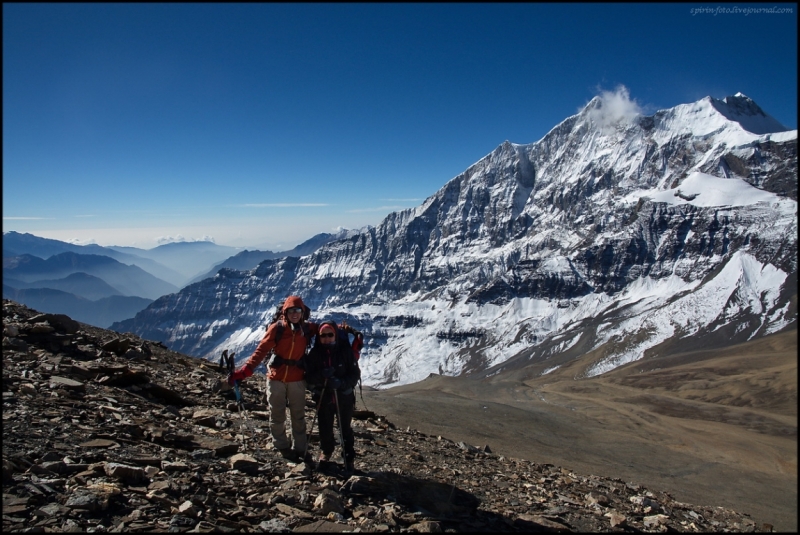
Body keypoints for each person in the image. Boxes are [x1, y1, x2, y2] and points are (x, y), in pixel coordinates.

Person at [228, 295, 319, 462]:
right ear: (285, 312)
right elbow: (261, 351)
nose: (295, 314)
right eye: (291, 310)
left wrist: (344, 331)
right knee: (277, 414)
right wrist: (245, 371)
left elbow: (326, 331)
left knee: (298, 416)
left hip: (297, 379)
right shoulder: (277, 329)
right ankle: (282, 447)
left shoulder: (307, 329)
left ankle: (300, 449)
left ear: (303, 312)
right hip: (276, 377)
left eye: (298, 310)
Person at [304, 320, 361, 473]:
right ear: (319, 337)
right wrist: (322, 377)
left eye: (330, 335)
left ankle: (348, 457)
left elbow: (355, 375)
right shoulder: (315, 354)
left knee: (345, 428)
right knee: (325, 427)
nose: (327, 338)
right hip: (324, 397)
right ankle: (326, 451)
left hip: (344, 397)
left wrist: (341, 383)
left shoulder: (345, 352)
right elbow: (308, 377)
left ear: (336, 335)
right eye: (323, 335)